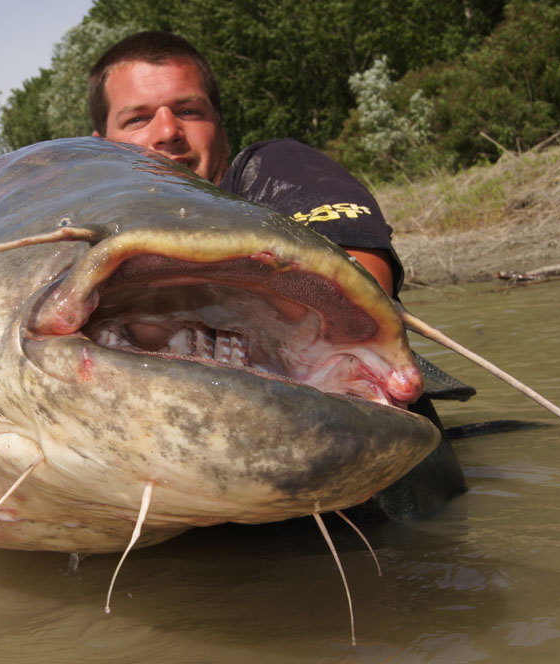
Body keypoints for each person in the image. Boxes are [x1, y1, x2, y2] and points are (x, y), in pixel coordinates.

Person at [89, 31, 465, 521]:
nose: (167, 131)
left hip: (372, 524)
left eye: (189, 110)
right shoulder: (77, 236)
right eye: (137, 118)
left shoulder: (271, 171)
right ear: (97, 148)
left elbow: (357, 295)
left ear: (220, 127)